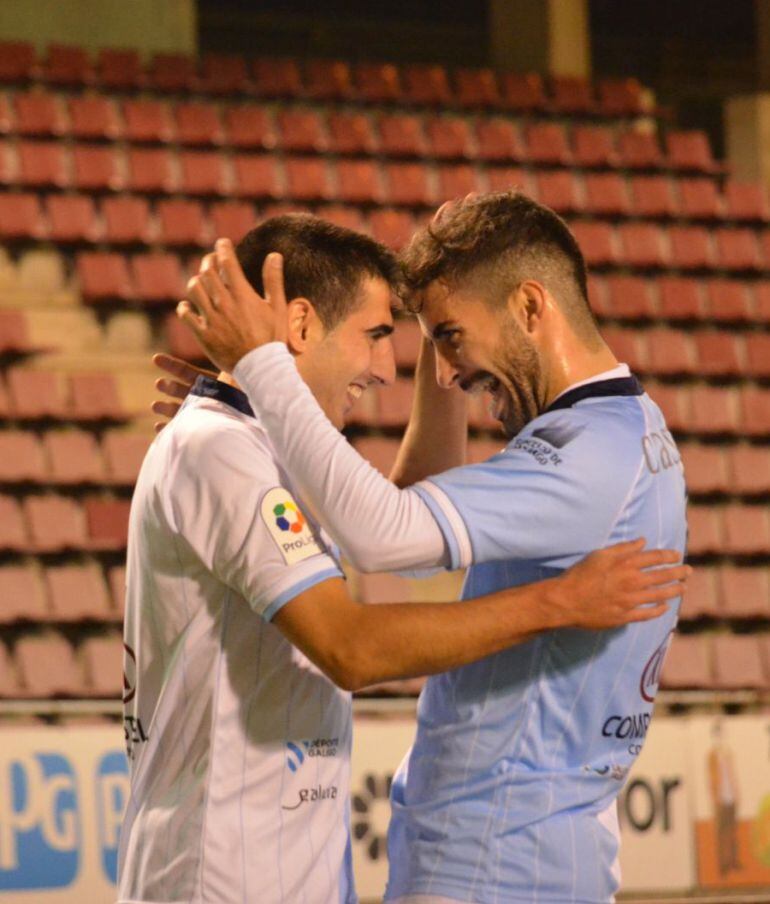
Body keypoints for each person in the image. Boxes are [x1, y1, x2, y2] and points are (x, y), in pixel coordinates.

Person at [174, 193, 689, 904]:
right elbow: (414, 545)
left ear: (530, 308)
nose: (443, 373)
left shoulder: (589, 457)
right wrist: (252, 410)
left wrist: (260, 371)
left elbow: (383, 540)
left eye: (448, 336)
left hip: (497, 858)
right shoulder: (624, 429)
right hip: (519, 847)